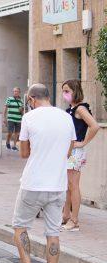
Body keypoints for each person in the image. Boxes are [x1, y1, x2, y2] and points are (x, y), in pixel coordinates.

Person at [7, 84, 76, 263]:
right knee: (53, 234)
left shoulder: (29, 117)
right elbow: (69, 149)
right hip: (58, 185)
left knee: (20, 227)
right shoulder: (66, 117)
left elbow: (24, 153)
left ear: (31, 98)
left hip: (33, 184)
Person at [61, 79, 99, 232]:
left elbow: (94, 126)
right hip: (71, 151)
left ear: (75, 91)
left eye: (67, 91)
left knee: (73, 186)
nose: (64, 94)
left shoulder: (80, 109)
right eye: (63, 91)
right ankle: (66, 216)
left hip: (75, 151)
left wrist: (82, 143)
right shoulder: (72, 108)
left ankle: (74, 219)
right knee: (68, 186)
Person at [4, 87, 24, 151]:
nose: (15, 92)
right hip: (10, 118)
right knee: (10, 132)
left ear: (19, 92)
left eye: (17, 91)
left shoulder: (21, 101)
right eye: (14, 91)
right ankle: (7, 142)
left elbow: (22, 111)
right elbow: (5, 109)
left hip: (18, 119)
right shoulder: (9, 99)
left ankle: (14, 146)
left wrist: (21, 110)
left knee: (17, 133)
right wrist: (4, 118)